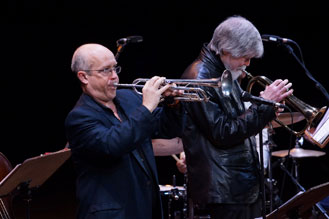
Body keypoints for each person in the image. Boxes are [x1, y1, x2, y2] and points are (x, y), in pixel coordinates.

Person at [180, 15, 294, 219]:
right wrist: (261, 108)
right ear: (225, 50)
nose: (248, 64)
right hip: (224, 192)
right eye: (245, 57)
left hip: (238, 187)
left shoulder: (224, 72)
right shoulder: (199, 78)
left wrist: (266, 110)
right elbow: (222, 132)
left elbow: (235, 119)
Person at [65, 43, 183, 219]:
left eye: (115, 68)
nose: (115, 77)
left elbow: (164, 128)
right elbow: (113, 144)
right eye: (106, 70)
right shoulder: (79, 118)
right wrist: (146, 107)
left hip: (145, 208)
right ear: (84, 77)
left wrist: (173, 105)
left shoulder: (127, 98)